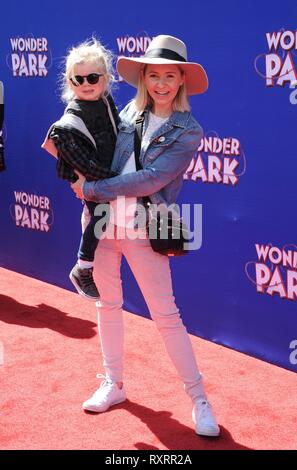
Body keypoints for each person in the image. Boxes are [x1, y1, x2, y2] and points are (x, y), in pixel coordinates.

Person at [71, 35, 220, 437]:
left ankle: (199, 400)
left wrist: (92, 189)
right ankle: (113, 384)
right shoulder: (124, 116)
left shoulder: (188, 131)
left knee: (166, 317)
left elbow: (151, 179)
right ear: (144, 78)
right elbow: (98, 156)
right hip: (102, 228)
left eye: (169, 76)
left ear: (181, 80)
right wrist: (77, 173)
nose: (161, 83)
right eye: (154, 75)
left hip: (144, 228)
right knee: (107, 305)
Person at [42, 38, 119, 300]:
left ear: (106, 78)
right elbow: (82, 164)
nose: (86, 84)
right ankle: (83, 267)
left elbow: (118, 131)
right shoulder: (68, 122)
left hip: (111, 176)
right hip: (92, 179)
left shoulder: (106, 101)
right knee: (100, 216)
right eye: (78, 80)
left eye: (93, 77)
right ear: (69, 81)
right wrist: (117, 181)